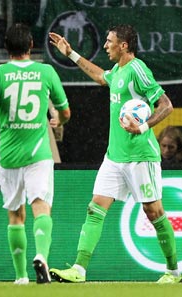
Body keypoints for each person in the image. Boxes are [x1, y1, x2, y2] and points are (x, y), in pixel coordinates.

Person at [49, 24, 179, 283]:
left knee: (154, 213)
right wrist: (71, 54)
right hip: (114, 157)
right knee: (95, 208)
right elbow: (100, 77)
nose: (105, 45)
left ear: (124, 46)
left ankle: (174, 271)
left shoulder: (137, 69)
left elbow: (166, 105)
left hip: (141, 156)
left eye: (109, 42)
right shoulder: (118, 71)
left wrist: (142, 126)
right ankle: (79, 269)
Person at [0, 23, 71, 285]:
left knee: (15, 215)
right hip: (38, 154)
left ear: (6, 48)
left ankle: (21, 276)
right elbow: (65, 111)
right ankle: (42, 256)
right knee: (41, 208)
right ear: (31, 46)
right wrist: (59, 119)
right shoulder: (46, 72)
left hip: (8, 155)